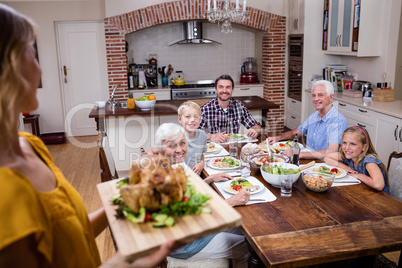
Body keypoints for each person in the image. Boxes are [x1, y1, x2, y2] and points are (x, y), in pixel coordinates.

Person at [0, 4, 174, 267]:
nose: (40, 69)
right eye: (31, 53)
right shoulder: (5, 192)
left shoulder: (32, 146)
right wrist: (128, 263)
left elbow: (72, 233)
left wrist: (128, 195)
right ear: (8, 67)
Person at [154, 123, 251, 267]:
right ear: (160, 150)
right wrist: (231, 201)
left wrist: (209, 179)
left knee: (242, 228)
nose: (179, 149)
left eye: (182, 143)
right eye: (172, 146)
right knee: (246, 246)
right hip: (186, 244)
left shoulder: (174, 166)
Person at [267, 80, 348, 159]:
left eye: (320, 95)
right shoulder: (314, 116)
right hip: (310, 159)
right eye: (314, 95)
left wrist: (300, 154)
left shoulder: (338, 121)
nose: (316, 99)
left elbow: (331, 151)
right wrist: (278, 138)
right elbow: (295, 133)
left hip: (326, 164)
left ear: (331, 97)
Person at [324, 126, 390, 194]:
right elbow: (327, 157)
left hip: (379, 199)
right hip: (361, 193)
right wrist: (345, 167)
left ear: (364, 147)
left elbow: (378, 185)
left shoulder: (369, 161)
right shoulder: (349, 155)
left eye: (353, 144)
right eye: (344, 143)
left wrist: (358, 175)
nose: (347, 147)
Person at [198, 74, 261, 143]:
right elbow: (193, 134)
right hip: (213, 150)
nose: (224, 90)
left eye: (228, 87)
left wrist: (255, 130)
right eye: (221, 87)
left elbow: (256, 126)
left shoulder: (239, 107)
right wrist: (211, 136)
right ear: (216, 89)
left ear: (232, 90)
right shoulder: (205, 109)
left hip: (233, 149)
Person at [177, 101, 206, 175]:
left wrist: (202, 163)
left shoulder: (202, 135)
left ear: (200, 119)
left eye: (196, 116)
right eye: (187, 116)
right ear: (180, 119)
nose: (192, 120)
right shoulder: (175, 138)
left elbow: (201, 154)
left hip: (197, 178)